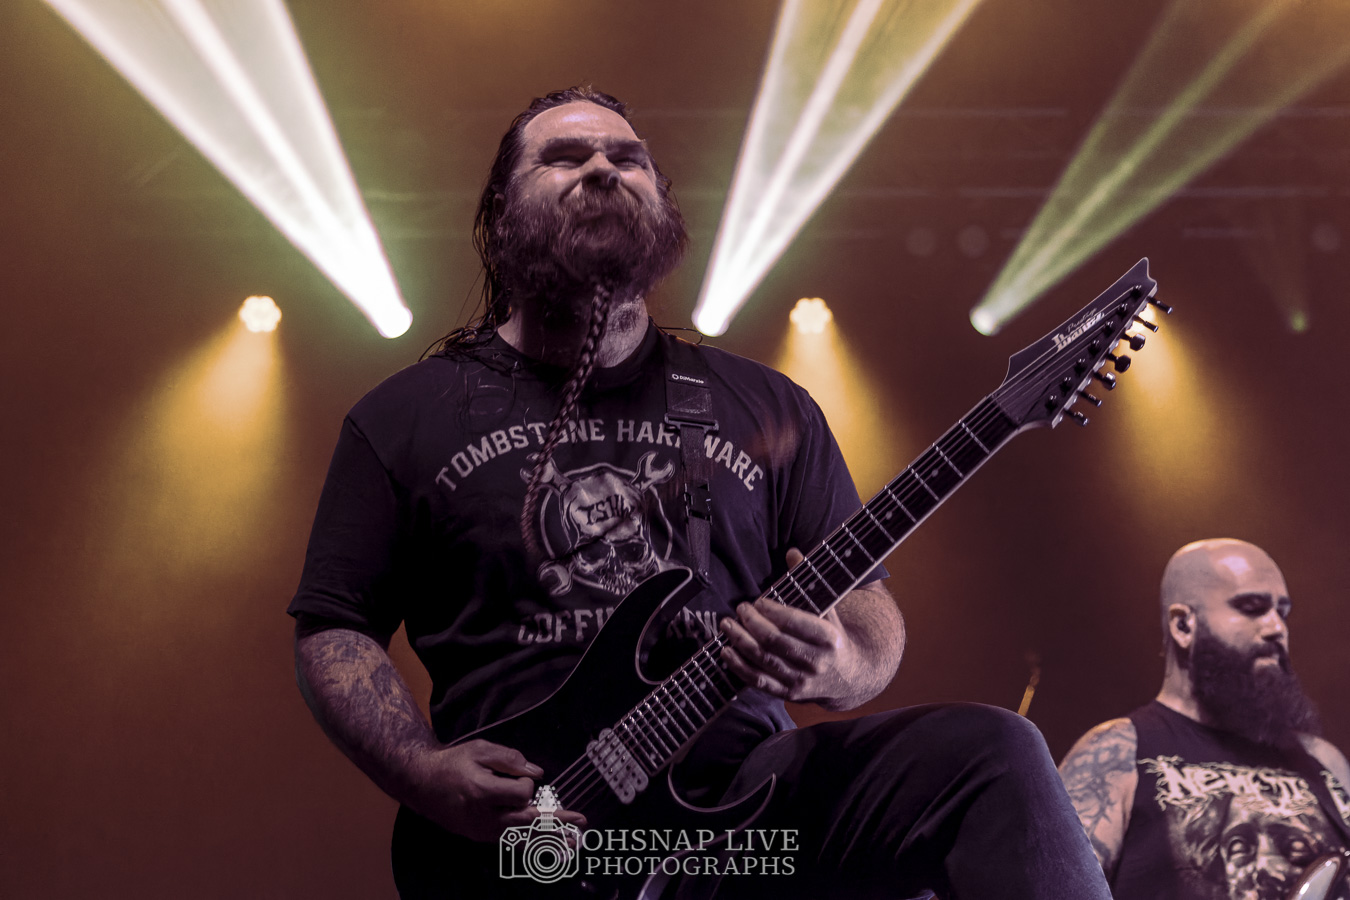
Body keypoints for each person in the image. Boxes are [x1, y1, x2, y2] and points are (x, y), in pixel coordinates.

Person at [289, 86, 1111, 899]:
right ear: (502, 211)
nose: (603, 169)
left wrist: (839, 659)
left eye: (629, 158)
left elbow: (869, 611)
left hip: (750, 813)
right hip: (537, 834)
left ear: (662, 202)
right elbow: (334, 628)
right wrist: (423, 773)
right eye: (565, 157)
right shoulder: (406, 417)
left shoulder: (765, 405)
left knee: (993, 752)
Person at [1058, 538, 1350, 900]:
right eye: (1252, 608)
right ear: (1183, 625)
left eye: (1282, 612)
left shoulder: (1322, 760)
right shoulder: (1115, 752)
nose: (1277, 627)